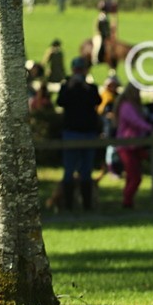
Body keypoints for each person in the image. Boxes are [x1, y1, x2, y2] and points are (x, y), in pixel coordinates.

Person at [56, 57, 101, 211]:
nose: (78, 73)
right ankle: (68, 206)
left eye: (81, 70)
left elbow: (97, 101)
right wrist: (70, 86)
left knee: (86, 171)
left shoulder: (91, 88)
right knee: (69, 170)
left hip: (88, 133)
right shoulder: (66, 87)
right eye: (76, 70)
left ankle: (87, 205)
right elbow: (60, 102)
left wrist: (85, 86)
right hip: (71, 133)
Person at [115, 83, 153, 209]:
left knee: (132, 176)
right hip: (127, 146)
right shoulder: (127, 106)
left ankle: (128, 200)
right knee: (135, 177)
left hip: (135, 145)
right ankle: (126, 200)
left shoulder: (133, 106)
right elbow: (135, 122)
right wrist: (150, 128)